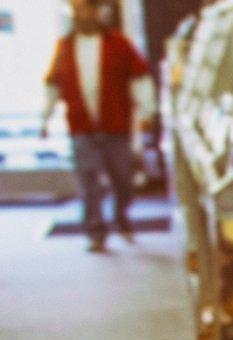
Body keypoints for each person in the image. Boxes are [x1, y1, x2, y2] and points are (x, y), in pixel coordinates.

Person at [42, 0, 156, 253]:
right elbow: (52, 85)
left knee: (123, 178)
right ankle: (95, 232)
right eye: (76, 11)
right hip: (81, 127)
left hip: (116, 126)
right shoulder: (65, 47)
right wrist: (45, 118)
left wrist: (148, 110)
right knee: (88, 181)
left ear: (97, 12)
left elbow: (140, 78)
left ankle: (121, 216)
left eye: (85, 9)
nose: (80, 15)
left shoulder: (118, 44)